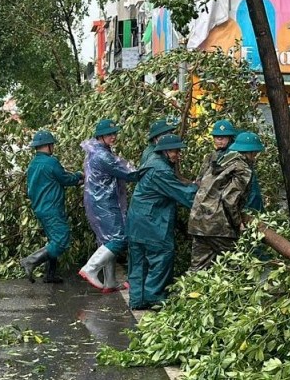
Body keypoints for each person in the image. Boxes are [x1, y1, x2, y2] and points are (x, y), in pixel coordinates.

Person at [126, 133, 198, 310]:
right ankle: (155, 297)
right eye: (175, 151)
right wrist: (201, 188)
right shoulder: (161, 171)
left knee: (138, 262)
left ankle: (137, 300)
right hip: (152, 223)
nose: (178, 155)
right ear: (165, 151)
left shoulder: (152, 162)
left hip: (136, 223)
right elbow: (185, 195)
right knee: (162, 256)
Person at [79, 119, 143, 293]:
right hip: (105, 203)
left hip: (99, 201)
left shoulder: (97, 151)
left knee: (106, 241)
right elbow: (128, 173)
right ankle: (91, 268)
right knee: (119, 238)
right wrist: (148, 170)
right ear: (100, 136)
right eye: (109, 134)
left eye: (114, 133)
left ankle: (110, 282)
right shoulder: (103, 156)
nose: (113, 137)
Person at [187, 131, 264, 271]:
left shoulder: (220, 161)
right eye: (256, 154)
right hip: (218, 225)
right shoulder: (242, 168)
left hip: (198, 222)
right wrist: (237, 223)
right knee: (238, 265)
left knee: (198, 269)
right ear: (251, 152)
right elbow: (229, 199)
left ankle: (187, 293)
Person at [21, 130, 83, 284]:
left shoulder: (33, 164)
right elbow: (64, 178)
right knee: (61, 240)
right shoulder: (51, 162)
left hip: (40, 208)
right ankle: (30, 261)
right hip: (52, 208)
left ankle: (50, 275)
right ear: (48, 145)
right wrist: (79, 176)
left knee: (53, 240)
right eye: (52, 144)